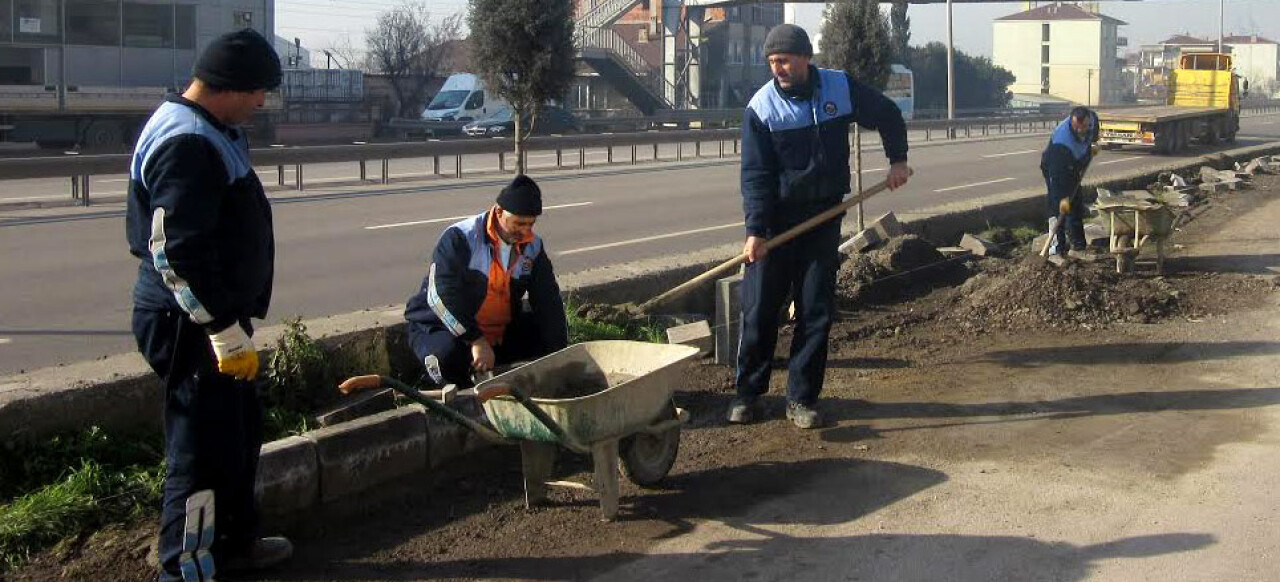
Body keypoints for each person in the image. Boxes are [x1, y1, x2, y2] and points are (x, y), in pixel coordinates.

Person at [126, 29, 291, 581]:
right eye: (257, 92)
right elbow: (176, 251)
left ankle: (236, 543)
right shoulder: (188, 143)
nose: (261, 103)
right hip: (189, 323)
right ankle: (186, 568)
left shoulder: (209, 129)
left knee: (238, 436)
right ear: (228, 86)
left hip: (214, 316)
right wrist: (220, 326)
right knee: (198, 452)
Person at [729, 24, 912, 429]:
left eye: (785, 60)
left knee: (815, 310)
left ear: (806, 57)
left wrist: (897, 160)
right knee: (759, 310)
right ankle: (749, 393)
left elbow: (887, 114)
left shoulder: (839, 88)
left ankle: (801, 398)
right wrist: (756, 230)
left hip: (825, 217)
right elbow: (755, 176)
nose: (779, 68)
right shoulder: (761, 109)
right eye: (773, 62)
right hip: (777, 224)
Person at [404, 175, 569, 386]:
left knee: (548, 338)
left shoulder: (533, 247)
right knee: (448, 358)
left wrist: (561, 353)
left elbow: (548, 300)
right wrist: (475, 339)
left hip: (498, 331)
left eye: (530, 224)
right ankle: (437, 381)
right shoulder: (461, 238)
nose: (525, 232)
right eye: (519, 223)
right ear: (499, 212)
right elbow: (440, 296)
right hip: (445, 327)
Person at [1041, 106, 1101, 266]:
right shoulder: (1062, 142)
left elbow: (1093, 136)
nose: (1081, 130)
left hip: (1074, 164)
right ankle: (1056, 250)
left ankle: (1078, 248)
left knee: (1076, 206)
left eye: (1084, 127)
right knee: (1059, 209)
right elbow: (1058, 171)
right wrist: (1063, 195)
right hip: (1058, 169)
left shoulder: (1093, 119)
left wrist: (1090, 149)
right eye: (1077, 128)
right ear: (1072, 123)